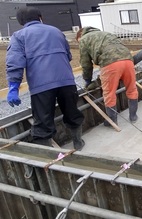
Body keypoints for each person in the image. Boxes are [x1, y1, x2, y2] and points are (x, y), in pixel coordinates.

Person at [6, 7, 85, 150]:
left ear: (21, 21)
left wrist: (13, 88)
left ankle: (47, 153)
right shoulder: (56, 31)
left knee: (43, 122)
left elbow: (14, 63)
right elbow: (68, 56)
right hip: (66, 82)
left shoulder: (19, 36)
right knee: (73, 113)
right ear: (40, 17)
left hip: (41, 86)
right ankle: (78, 142)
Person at [75, 26, 138, 126]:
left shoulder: (83, 39)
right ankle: (133, 116)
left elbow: (86, 63)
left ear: (80, 35)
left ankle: (112, 121)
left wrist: (87, 80)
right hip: (128, 60)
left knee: (109, 93)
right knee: (132, 89)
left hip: (110, 63)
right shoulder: (106, 33)